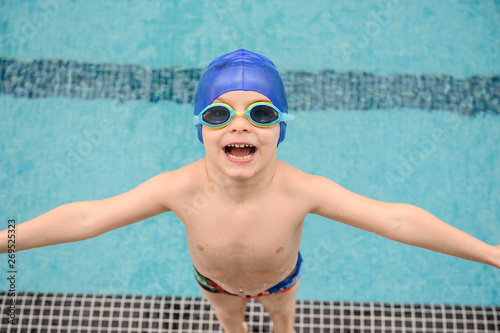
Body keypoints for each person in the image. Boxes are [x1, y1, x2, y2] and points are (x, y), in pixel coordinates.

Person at [1, 49, 499, 333]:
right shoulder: (178, 188)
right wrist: (7, 239)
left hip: (281, 281)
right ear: (201, 127)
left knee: (284, 318)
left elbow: (396, 220)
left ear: (281, 126)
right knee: (228, 320)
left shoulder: (303, 190)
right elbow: (88, 218)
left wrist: (490, 253)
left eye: (260, 113)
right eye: (220, 114)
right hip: (213, 281)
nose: (241, 127)